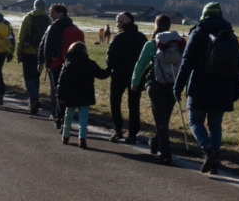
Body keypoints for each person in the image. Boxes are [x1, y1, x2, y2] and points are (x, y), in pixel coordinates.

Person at [174, 2, 239, 173]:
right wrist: (237, 89)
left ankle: (208, 149)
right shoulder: (230, 35)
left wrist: (178, 86)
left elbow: (186, 63)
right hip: (224, 88)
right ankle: (214, 162)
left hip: (200, 87)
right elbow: (238, 66)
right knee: (215, 124)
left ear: (203, 15)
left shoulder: (198, 33)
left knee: (195, 121)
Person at [131, 14, 186, 165]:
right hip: (174, 86)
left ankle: (166, 153)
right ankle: (155, 142)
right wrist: (185, 86)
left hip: (155, 85)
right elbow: (186, 66)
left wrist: (135, 83)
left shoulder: (151, 44)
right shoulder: (181, 43)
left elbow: (141, 64)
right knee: (164, 119)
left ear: (156, 25)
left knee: (160, 119)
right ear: (169, 25)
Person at [56, 41, 110, 149]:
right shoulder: (90, 63)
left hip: (70, 95)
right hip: (86, 95)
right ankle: (82, 138)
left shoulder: (67, 63)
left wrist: (60, 97)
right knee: (83, 118)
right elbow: (102, 74)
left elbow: (61, 83)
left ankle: (65, 136)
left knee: (68, 117)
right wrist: (110, 67)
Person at [39, 3, 85, 130]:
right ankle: (65, 117)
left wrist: (45, 61)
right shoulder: (73, 28)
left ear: (61, 13)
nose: (50, 14)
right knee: (68, 90)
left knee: (57, 91)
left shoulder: (54, 27)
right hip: (73, 63)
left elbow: (45, 44)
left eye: (52, 12)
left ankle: (58, 116)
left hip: (57, 63)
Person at [105, 11, 146, 144]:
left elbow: (111, 56)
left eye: (119, 22)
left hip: (119, 75)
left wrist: (109, 67)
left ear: (122, 23)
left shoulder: (119, 37)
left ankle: (118, 129)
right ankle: (132, 133)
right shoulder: (141, 37)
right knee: (134, 105)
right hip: (136, 75)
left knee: (115, 102)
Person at [17, 0, 51, 115]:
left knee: (28, 78)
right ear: (44, 7)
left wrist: (19, 52)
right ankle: (33, 104)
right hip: (41, 53)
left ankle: (34, 99)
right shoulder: (48, 19)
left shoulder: (27, 18)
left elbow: (21, 37)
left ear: (34, 6)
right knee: (36, 77)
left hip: (28, 51)